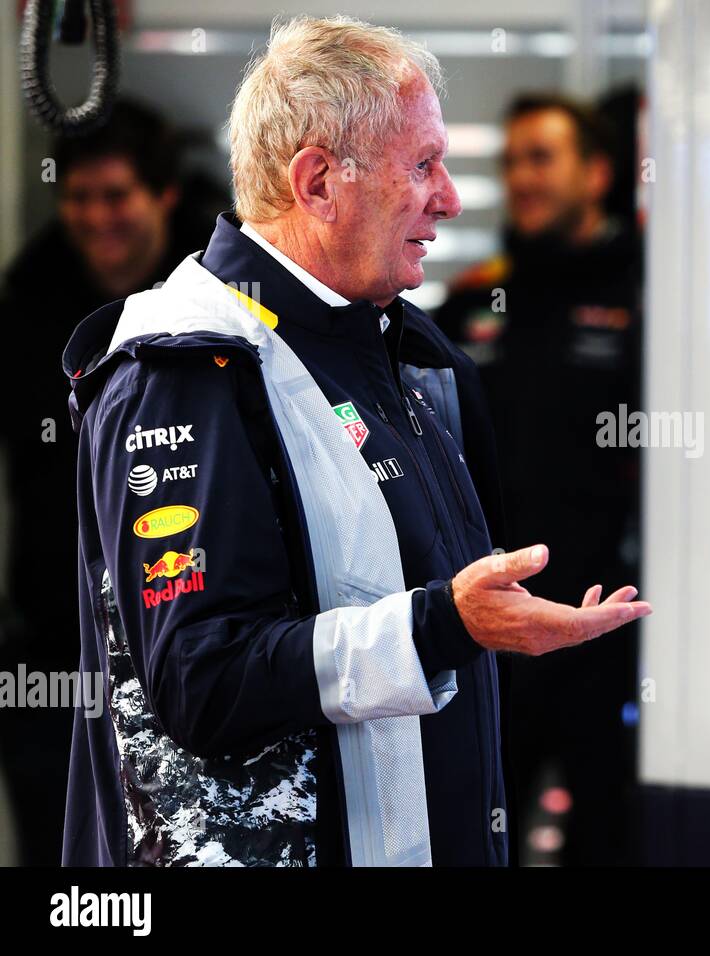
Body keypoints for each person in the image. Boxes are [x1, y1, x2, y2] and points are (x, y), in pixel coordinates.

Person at [59, 16, 650, 868]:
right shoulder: (186, 364)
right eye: (422, 166)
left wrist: (476, 626)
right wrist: (444, 624)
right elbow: (202, 679)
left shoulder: (410, 350)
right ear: (318, 180)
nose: (449, 197)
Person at [0, 99, 216, 865]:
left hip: (189, 641)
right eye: (79, 197)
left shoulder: (216, 303)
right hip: (56, 643)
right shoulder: (29, 299)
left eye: (116, 195)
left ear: (161, 194)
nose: (97, 217)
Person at [435, 93, 643, 864]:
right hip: (491, 622)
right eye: (512, 159)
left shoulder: (649, 296)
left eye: (541, 157)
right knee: (480, 824)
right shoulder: (471, 303)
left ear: (596, 173)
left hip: (610, 618)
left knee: (605, 836)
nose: (522, 177)